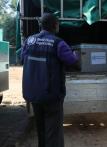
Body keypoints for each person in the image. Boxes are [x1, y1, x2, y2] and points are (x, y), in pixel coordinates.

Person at [21, 13, 78, 147]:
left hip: (33, 95)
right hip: (51, 96)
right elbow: (74, 63)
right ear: (54, 25)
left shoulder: (29, 41)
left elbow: (22, 59)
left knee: (41, 129)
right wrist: (74, 54)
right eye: (57, 24)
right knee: (53, 133)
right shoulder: (58, 43)